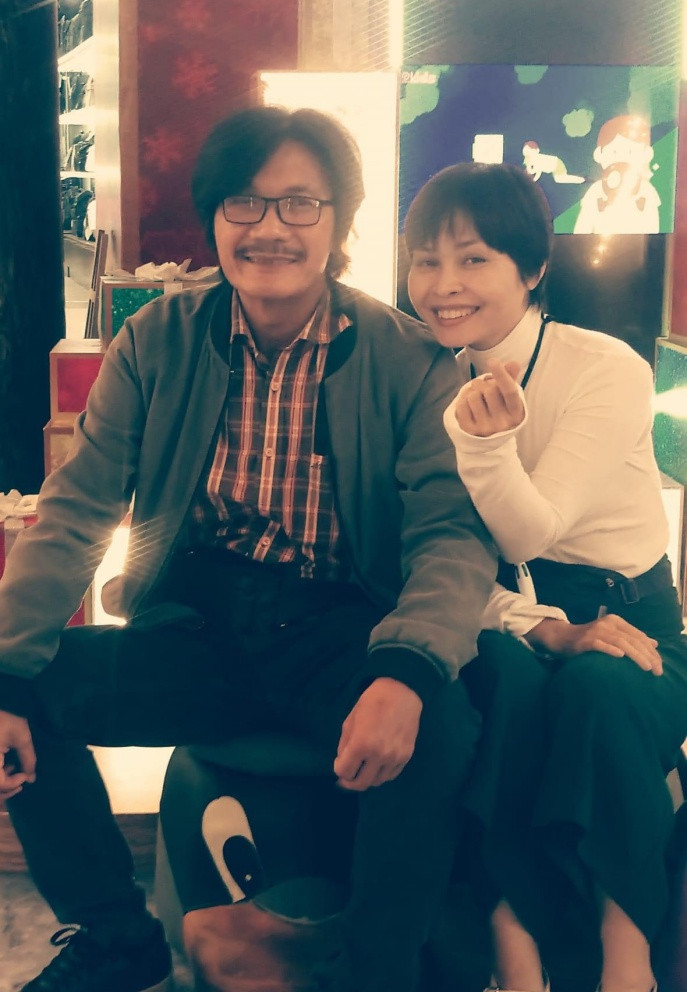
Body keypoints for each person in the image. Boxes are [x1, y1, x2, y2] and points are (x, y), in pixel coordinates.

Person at [0, 106, 497, 992]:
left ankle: (375, 974)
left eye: (301, 203)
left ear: (339, 223)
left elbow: (448, 536)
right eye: (245, 203)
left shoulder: (410, 359)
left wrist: (407, 671)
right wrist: (6, 668)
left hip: (338, 630)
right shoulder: (157, 339)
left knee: (440, 724)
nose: (271, 228)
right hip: (197, 627)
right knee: (24, 689)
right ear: (215, 218)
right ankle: (117, 940)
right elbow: (76, 509)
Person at [404, 161, 687, 992]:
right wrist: (538, 627)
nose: (444, 285)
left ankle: (624, 951)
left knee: (598, 688)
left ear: (531, 269)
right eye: (425, 260)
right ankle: (510, 939)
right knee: (497, 680)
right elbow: (435, 559)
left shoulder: (607, 368)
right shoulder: (418, 376)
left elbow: (532, 528)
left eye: (473, 259)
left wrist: (485, 446)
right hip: (498, 613)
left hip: (629, 620)